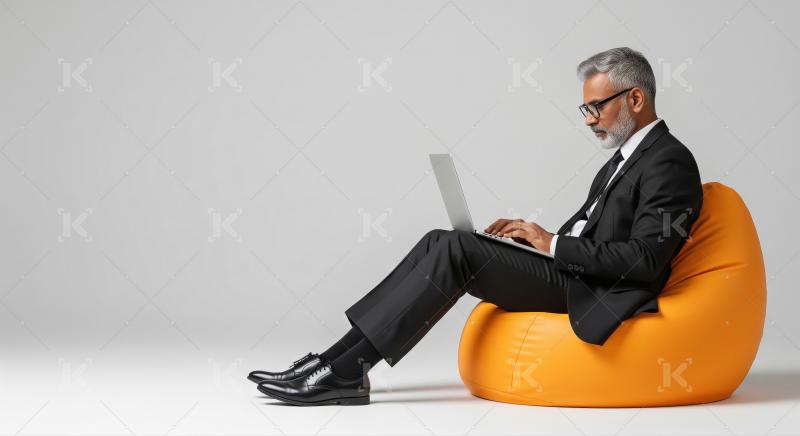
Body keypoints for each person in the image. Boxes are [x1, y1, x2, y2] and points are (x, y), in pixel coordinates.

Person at [248, 47, 703, 406]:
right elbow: (595, 231)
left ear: (636, 99)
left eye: (595, 108)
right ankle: (335, 362)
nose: (589, 121)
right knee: (443, 241)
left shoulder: (670, 161)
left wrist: (554, 244)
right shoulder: (623, 161)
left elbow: (644, 261)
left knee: (457, 251)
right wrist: (535, 236)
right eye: (584, 109)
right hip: (573, 271)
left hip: (597, 290)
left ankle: (345, 372)